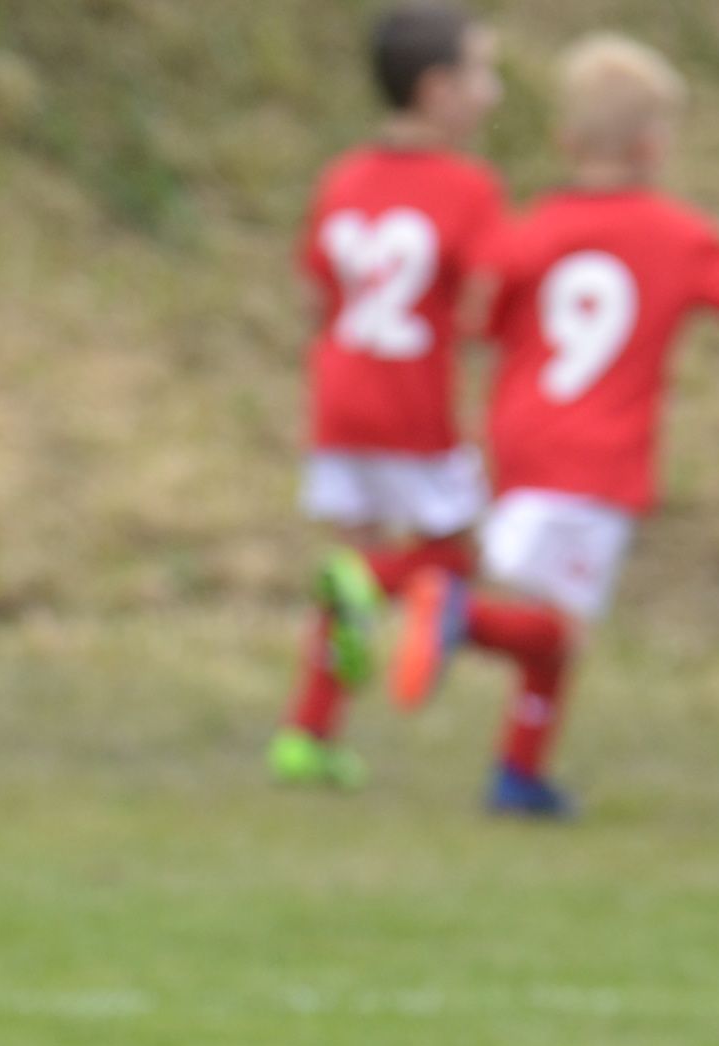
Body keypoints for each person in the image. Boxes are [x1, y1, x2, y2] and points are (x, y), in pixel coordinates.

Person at [393, 33, 719, 818]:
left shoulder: (531, 227)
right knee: (562, 630)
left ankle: (518, 777)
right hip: (599, 459)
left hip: (522, 442)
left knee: (558, 621)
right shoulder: (674, 234)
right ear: (652, 145)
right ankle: (462, 619)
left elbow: (477, 320)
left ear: (565, 140)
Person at [269, 5, 505, 793]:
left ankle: (307, 736)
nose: (493, 93)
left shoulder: (344, 175)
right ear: (437, 89)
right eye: (482, 74)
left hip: (339, 396)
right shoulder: (468, 186)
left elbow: (314, 292)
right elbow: (491, 298)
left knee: (353, 566)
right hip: (412, 404)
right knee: (453, 558)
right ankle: (378, 586)